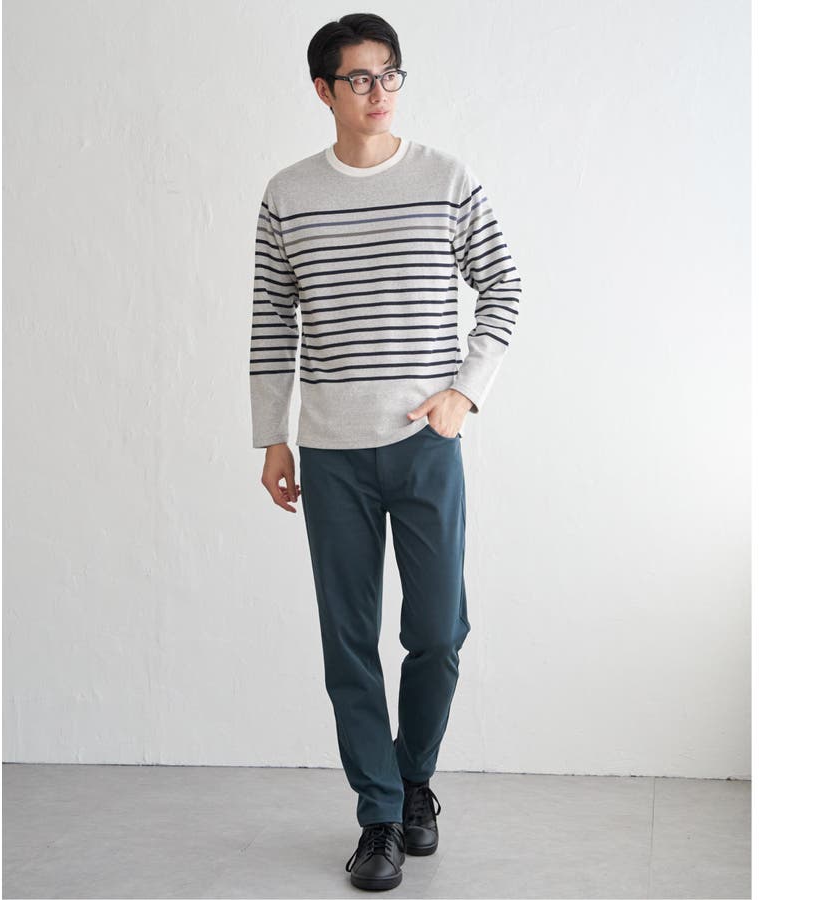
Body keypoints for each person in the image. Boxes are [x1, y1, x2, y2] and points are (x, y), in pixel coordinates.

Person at [249, 12, 522, 892]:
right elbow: (271, 323)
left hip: (426, 446)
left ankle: (413, 783)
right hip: (331, 454)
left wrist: (464, 390)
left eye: (389, 74)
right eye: (359, 78)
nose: (379, 92)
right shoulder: (289, 194)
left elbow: (504, 285)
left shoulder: (444, 179)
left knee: (438, 634)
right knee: (349, 642)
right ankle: (378, 818)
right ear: (323, 90)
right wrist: (272, 436)